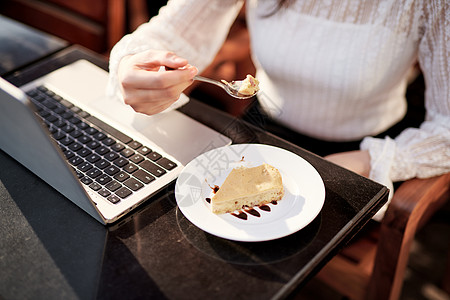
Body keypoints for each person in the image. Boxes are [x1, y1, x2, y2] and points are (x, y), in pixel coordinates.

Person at [107, 0, 450, 220]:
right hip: (261, 131)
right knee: (174, 214)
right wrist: (133, 63)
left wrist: (368, 162)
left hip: (359, 154)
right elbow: (172, 31)